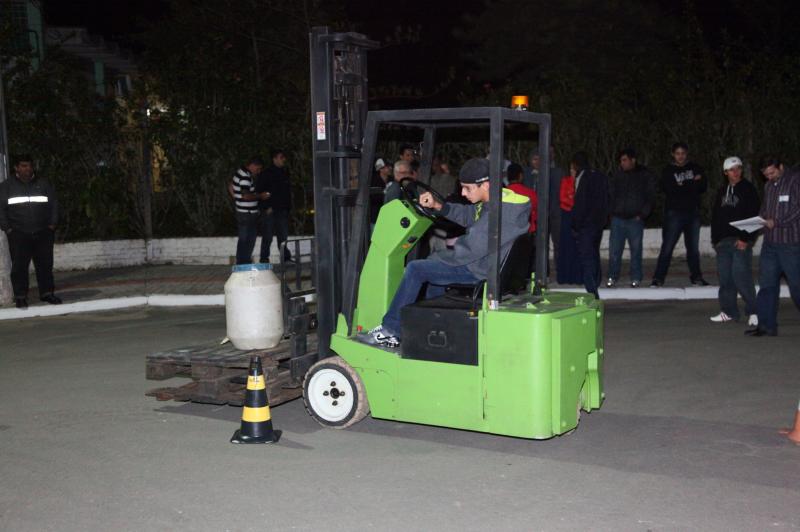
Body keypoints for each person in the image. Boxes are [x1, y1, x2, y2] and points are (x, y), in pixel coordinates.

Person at [364, 158, 531, 348]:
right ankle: (430, 327)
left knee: (416, 268)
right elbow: (471, 215)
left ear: (485, 185)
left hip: (479, 269)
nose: (462, 193)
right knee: (433, 270)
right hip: (487, 264)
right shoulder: (500, 200)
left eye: (467, 188)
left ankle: (390, 330)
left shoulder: (498, 214)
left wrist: (441, 253)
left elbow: (471, 249)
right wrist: (439, 206)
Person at [745, 155, 800, 337]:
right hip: (770, 244)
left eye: (772, 173)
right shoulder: (768, 186)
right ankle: (766, 326)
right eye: (766, 174)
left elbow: (797, 209)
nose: (769, 177)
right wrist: (758, 220)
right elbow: (765, 209)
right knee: (767, 285)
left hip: (790, 244)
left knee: (796, 286)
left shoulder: (795, 180)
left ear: (781, 166)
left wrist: (776, 222)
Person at [0, 154, 61, 309]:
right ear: (16, 168)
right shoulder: (6, 186)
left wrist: (52, 224)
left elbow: (54, 204)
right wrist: (8, 228)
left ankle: (47, 293)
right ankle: (21, 297)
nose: (27, 169)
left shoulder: (43, 184)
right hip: (19, 234)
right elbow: (1, 210)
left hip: (43, 232)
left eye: (29, 166)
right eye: (23, 166)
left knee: (45, 265)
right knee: (19, 267)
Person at [709, 156, 760, 325]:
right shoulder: (722, 191)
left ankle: (754, 311)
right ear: (725, 172)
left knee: (741, 276)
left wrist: (746, 238)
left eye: (738, 168)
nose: (736, 172)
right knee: (725, 278)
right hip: (723, 241)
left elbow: (754, 214)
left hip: (740, 239)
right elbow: (716, 215)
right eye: (732, 169)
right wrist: (715, 239)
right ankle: (729, 311)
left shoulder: (748, 189)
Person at [651, 142, 709, 287]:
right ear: (673, 154)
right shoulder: (668, 170)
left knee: (693, 248)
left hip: (693, 213)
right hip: (674, 214)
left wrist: (684, 186)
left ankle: (696, 277)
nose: (680, 156)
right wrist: (691, 184)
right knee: (667, 247)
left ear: (687, 153)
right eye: (677, 153)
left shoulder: (695, 167)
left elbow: (703, 186)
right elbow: (669, 189)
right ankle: (658, 278)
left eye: (683, 153)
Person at [606, 148, 656, 288]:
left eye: (625, 160)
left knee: (636, 251)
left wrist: (642, 214)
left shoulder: (644, 175)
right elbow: (611, 194)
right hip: (618, 219)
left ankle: (635, 277)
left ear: (633, 160)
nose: (622, 163)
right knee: (614, 251)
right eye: (621, 161)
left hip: (635, 219)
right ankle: (612, 276)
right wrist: (611, 213)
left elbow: (650, 196)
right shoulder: (617, 175)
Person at [570, 152, 608, 298]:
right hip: (597, 223)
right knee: (594, 254)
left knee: (587, 258)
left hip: (586, 225)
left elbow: (580, 204)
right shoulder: (599, 176)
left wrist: (575, 225)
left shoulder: (583, 178)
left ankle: (592, 290)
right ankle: (596, 282)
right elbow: (606, 199)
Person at [524, 145, 565, 273]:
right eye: (534, 159)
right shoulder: (527, 174)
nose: (537, 162)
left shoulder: (555, 173)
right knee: (541, 244)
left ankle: (561, 269)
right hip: (538, 216)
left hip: (554, 214)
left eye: (539, 159)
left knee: (558, 243)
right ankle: (542, 270)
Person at [229, 156, 266, 264]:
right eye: (258, 169)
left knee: (246, 238)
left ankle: (243, 261)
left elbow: (230, 185)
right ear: (253, 165)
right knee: (248, 239)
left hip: (244, 211)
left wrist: (236, 198)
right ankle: (242, 262)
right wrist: (260, 196)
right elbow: (246, 196)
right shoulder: (245, 177)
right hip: (247, 213)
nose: (258, 172)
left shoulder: (240, 172)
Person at [256, 149, 292, 263]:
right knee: (267, 236)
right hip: (270, 210)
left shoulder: (284, 172)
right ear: (274, 159)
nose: (283, 160)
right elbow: (260, 192)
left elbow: (286, 191)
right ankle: (264, 259)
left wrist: (287, 207)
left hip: (282, 210)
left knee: (283, 236)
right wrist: (266, 207)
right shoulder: (266, 173)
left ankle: (285, 258)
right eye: (281, 157)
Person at [557, 167, 582, 284]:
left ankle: (577, 276)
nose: (573, 171)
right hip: (567, 215)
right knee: (567, 246)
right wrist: (573, 200)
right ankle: (565, 276)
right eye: (571, 168)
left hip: (577, 214)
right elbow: (563, 198)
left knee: (577, 247)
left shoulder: (582, 181)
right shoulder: (565, 181)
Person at [369, 158, 392, 227]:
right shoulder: (373, 182)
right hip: (376, 217)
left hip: (389, 217)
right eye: (387, 167)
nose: (390, 168)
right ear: (381, 169)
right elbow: (373, 199)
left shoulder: (392, 180)